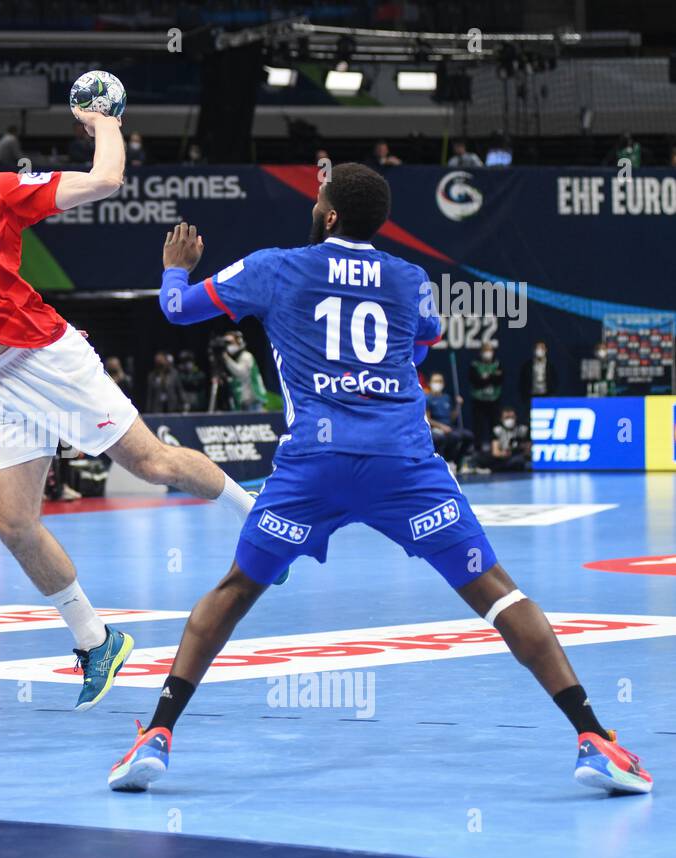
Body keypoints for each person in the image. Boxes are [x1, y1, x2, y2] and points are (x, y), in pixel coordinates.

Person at [105, 164, 651, 796]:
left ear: (330, 216)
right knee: (501, 596)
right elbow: (422, 344)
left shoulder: (274, 268)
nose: (313, 203)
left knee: (234, 591)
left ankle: (158, 736)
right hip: (402, 464)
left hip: (315, 466)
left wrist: (177, 265)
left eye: (318, 199)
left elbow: (176, 310)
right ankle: (594, 738)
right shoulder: (410, 277)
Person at [0, 91, 262, 712]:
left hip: (46, 355)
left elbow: (105, 179)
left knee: (151, 464)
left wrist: (104, 123)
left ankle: (252, 511)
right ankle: (96, 641)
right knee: (14, 524)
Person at [468, 344, 503, 454]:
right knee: (478, 427)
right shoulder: (474, 365)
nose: (488, 353)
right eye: (485, 350)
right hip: (479, 401)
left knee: (495, 427)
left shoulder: (498, 364)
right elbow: (476, 381)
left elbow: (499, 379)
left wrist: (486, 378)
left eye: (490, 350)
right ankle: (478, 450)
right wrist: (491, 377)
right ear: (481, 352)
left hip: (494, 400)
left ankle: (495, 450)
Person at [480, 407, 530, 472]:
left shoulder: (523, 430)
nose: (510, 420)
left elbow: (528, 450)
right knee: (483, 457)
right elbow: (495, 452)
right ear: (501, 419)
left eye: (512, 417)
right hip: (502, 458)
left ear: (516, 417)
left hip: (517, 457)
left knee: (519, 461)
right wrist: (503, 454)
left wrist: (519, 447)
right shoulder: (497, 430)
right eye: (506, 418)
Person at [519, 340, 557, 408]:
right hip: (531, 397)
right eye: (538, 348)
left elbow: (554, 381)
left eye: (542, 348)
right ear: (534, 350)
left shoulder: (551, 366)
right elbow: (523, 382)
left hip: (547, 397)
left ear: (546, 350)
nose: (540, 350)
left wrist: (552, 395)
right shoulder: (527, 366)